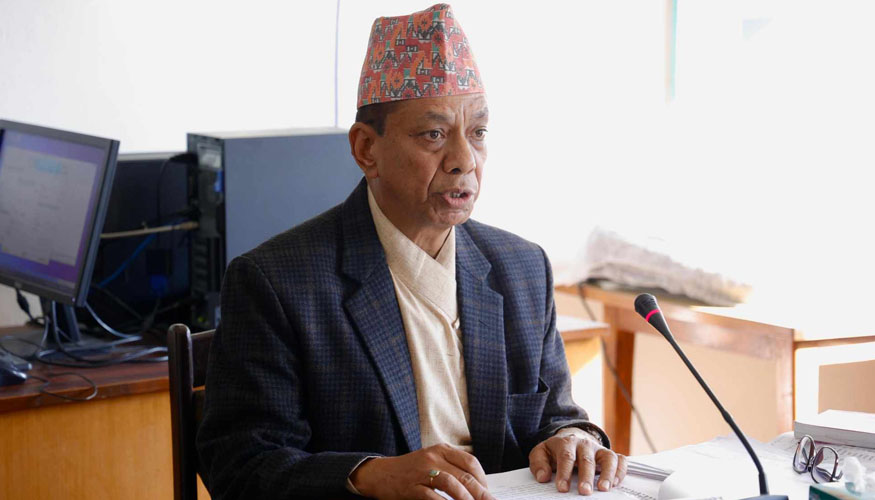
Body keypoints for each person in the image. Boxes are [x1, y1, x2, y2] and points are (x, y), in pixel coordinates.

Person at [196, 4, 627, 499]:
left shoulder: (522, 267)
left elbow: (557, 417)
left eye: (478, 133)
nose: (464, 160)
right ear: (366, 149)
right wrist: (366, 475)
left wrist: (574, 438)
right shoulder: (276, 282)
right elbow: (240, 466)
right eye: (434, 134)